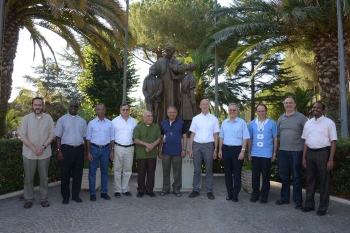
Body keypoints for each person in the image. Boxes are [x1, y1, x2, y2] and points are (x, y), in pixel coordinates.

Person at [301, 102, 337, 216]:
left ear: (323, 110)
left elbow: (333, 141)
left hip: (323, 154)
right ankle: (309, 205)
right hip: (310, 154)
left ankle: (323, 207)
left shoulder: (329, 123)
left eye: (318, 108)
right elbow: (306, 141)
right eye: (314, 107)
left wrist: (331, 159)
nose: (315, 109)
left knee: (324, 181)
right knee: (310, 180)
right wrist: (304, 157)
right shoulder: (308, 123)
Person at [17, 97, 55, 209]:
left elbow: (52, 135)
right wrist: (34, 148)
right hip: (29, 154)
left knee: (44, 178)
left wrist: (43, 147)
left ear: (42, 106)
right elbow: (22, 136)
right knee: (28, 178)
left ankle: (44, 198)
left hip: (45, 153)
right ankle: (29, 199)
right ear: (32, 106)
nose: (37, 107)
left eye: (39, 105)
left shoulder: (48, 118)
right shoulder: (26, 119)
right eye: (35, 105)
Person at [275, 97, 307, 209]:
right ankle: (284, 198)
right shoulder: (280, 118)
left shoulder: (302, 118)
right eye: (286, 103)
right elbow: (277, 134)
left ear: (295, 104)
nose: (288, 105)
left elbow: (307, 135)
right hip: (283, 151)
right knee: (284, 176)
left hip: (297, 152)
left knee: (297, 176)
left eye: (290, 103)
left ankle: (298, 201)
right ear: (284, 105)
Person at [55, 100, 87, 204]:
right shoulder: (62, 120)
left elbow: (85, 137)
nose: (73, 107)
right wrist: (59, 151)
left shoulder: (82, 121)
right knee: (65, 174)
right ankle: (65, 196)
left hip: (79, 150)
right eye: (71, 106)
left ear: (78, 107)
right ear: (68, 107)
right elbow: (58, 137)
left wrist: (86, 151)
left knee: (78, 174)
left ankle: (75, 195)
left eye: (75, 106)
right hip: (66, 150)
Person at [188, 99, 220, 200]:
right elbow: (192, 134)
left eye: (206, 104)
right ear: (200, 106)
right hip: (197, 145)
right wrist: (191, 149)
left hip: (209, 146)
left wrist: (215, 149)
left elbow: (216, 135)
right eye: (203, 104)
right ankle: (195, 189)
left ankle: (209, 191)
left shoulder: (214, 119)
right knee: (197, 170)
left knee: (209, 170)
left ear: (209, 106)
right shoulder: (195, 119)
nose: (205, 106)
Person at [218, 103, 250, 202]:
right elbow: (221, 137)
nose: (232, 112)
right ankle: (229, 193)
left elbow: (245, 138)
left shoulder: (242, 123)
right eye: (230, 110)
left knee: (237, 173)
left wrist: (243, 151)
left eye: (234, 110)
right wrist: (220, 150)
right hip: (226, 149)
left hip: (237, 150)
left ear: (237, 111)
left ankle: (235, 194)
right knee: (227, 173)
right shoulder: (224, 122)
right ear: (228, 111)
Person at [247, 103, 278, 204]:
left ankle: (264, 196)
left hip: (267, 154)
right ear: (256, 112)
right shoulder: (251, 124)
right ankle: (255, 195)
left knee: (266, 176)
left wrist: (274, 153)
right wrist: (249, 152)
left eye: (263, 111)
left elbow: (275, 138)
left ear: (266, 111)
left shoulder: (272, 123)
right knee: (255, 176)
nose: (261, 113)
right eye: (259, 111)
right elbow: (250, 138)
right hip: (255, 153)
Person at [86, 103, 115, 201]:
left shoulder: (109, 123)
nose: (101, 111)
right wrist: (88, 152)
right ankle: (92, 193)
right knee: (92, 172)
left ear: (105, 110)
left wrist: (112, 151)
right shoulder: (92, 123)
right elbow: (88, 138)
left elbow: (112, 138)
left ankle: (104, 192)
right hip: (94, 149)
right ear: (96, 111)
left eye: (102, 109)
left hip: (106, 149)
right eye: (98, 109)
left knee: (105, 172)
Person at [158, 106, 187, 197]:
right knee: (166, 171)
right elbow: (161, 138)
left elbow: (185, 137)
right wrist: (159, 149)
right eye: (170, 112)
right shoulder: (163, 123)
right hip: (166, 151)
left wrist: (184, 149)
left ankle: (177, 189)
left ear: (176, 113)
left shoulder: (181, 123)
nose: (172, 114)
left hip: (177, 151)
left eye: (173, 112)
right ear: (167, 113)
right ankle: (165, 188)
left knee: (177, 172)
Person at [133, 111, 162, 198]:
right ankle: (141, 190)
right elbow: (136, 139)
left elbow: (159, 138)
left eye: (151, 116)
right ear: (143, 118)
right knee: (141, 173)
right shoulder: (138, 127)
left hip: (152, 154)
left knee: (151, 173)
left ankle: (150, 190)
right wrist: (147, 145)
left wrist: (152, 146)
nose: (150, 118)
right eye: (148, 116)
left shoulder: (156, 127)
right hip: (141, 154)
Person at [154, 45, 186, 123]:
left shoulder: (177, 62)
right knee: (162, 106)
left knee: (174, 103)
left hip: (174, 88)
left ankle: (175, 124)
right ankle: (162, 124)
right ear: (166, 51)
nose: (171, 54)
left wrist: (174, 67)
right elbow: (152, 71)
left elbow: (183, 69)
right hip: (162, 88)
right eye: (170, 53)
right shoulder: (159, 62)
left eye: (173, 53)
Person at [111, 103, 137, 198]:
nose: (125, 111)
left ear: (129, 110)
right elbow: (112, 137)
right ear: (120, 110)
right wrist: (112, 149)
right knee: (117, 169)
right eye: (123, 110)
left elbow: (135, 135)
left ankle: (125, 189)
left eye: (127, 110)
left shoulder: (133, 121)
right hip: (118, 147)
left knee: (128, 170)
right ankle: (117, 190)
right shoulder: (114, 121)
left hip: (130, 147)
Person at [179, 62, 197, 130]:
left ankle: (188, 129)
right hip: (183, 97)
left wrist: (192, 101)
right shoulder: (185, 76)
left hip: (188, 97)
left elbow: (191, 91)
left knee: (188, 115)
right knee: (183, 115)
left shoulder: (192, 78)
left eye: (189, 65)